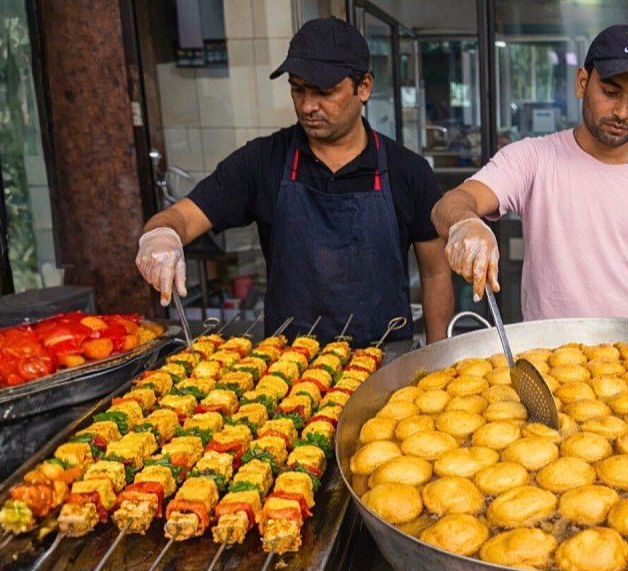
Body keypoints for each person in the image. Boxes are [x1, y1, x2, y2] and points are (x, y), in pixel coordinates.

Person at [135, 18, 454, 344]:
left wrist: (438, 355)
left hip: (386, 364)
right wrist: (161, 234)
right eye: (298, 89)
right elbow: (182, 217)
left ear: (364, 87)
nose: (307, 105)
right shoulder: (261, 162)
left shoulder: (408, 171)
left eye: (324, 92)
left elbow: (436, 272)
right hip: (288, 372)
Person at [431, 24, 628, 325]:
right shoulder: (532, 159)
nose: (623, 113)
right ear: (582, 82)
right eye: (611, 92)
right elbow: (451, 204)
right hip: (552, 358)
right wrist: (465, 223)